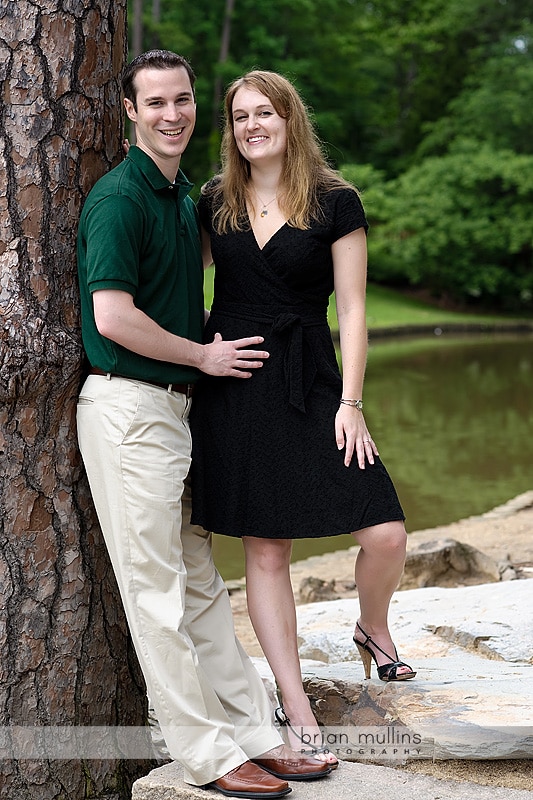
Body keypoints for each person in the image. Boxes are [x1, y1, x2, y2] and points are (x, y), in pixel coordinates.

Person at [76, 51, 332, 797]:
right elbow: (112, 317)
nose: (171, 114)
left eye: (182, 99)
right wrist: (203, 356)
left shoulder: (181, 193)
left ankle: (254, 732)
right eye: (153, 102)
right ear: (129, 110)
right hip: (129, 411)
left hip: (178, 412)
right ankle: (206, 754)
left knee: (198, 587)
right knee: (155, 594)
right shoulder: (120, 198)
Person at [190, 70, 416, 766]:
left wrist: (349, 402)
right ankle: (294, 706)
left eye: (264, 112)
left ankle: (371, 627)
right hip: (236, 389)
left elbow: (351, 310)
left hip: (312, 381)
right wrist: (201, 348)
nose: (251, 124)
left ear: (290, 119)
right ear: (228, 130)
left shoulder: (333, 201)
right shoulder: (213, 201)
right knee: (266, 549)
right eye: (238, 116)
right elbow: (175, 284)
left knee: (384, 533)